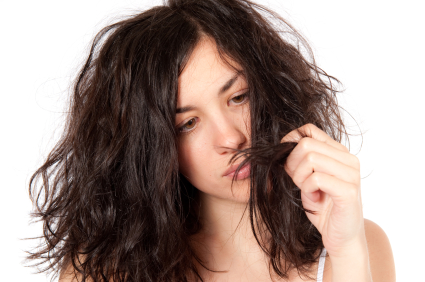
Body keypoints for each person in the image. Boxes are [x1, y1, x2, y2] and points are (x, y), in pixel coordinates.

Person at [26, 0, 395, 281]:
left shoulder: (354, 246)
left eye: (239, 97)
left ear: (272, 89)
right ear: (149, 148)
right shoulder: (103, 268)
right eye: (187, 123)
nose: (231, 138)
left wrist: (346, 252)